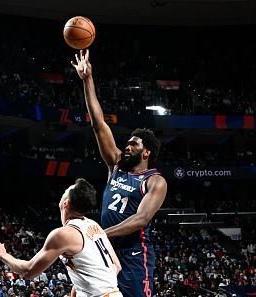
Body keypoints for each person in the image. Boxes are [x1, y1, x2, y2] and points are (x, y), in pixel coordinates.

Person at [72, 49, 168, 297]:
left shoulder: (154, 181)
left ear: (146, 152)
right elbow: (98, 124)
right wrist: (87, 80)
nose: (127, 146)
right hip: (106, 249)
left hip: (134, 253)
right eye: (127, 143)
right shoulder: (115, 164)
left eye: (133, 144)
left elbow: (140, 220)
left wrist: (100, 234)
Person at [0, 178, 123, 297]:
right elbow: (116, 266)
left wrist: (2, 254)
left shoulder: (63, 234)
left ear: (65, 203)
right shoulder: (94, 226)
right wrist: (80, 289)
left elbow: (28, 271)